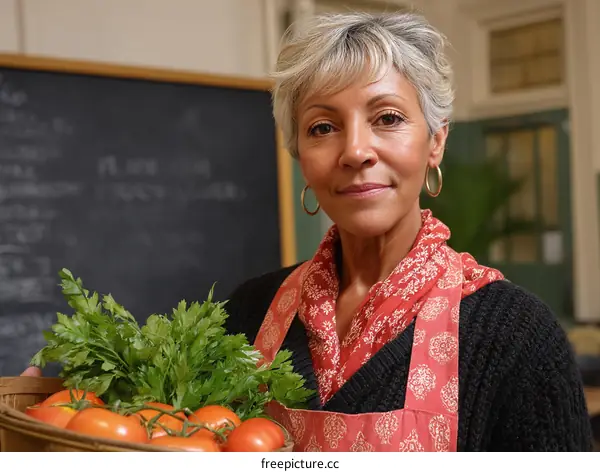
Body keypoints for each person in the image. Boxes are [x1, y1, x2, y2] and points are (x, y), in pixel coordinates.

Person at [24, 11, 592, 452]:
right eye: (323, 127)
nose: (356, 151)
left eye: (388, 117)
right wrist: (60, 412)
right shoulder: (251, 311)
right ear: (301, 156)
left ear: (436, 140)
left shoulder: (515, 338)